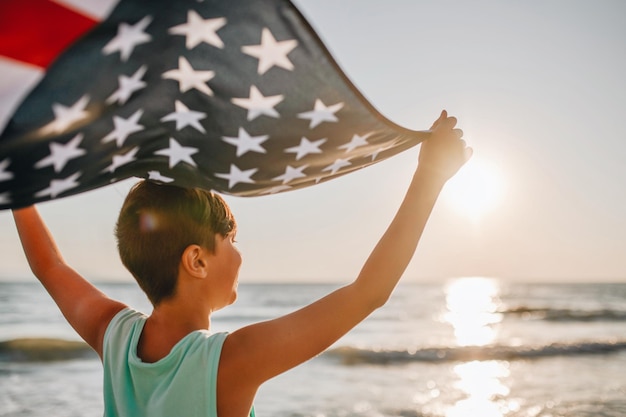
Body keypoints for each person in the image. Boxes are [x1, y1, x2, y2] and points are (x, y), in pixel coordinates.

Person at [12, 110, 471, 417]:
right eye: (230, 238)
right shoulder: (227, 362)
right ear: (196, 261)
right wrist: (429, 177)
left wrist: (17, 188)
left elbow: (49, 266)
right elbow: (368, 292)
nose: (239, 250)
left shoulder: (114, 336)